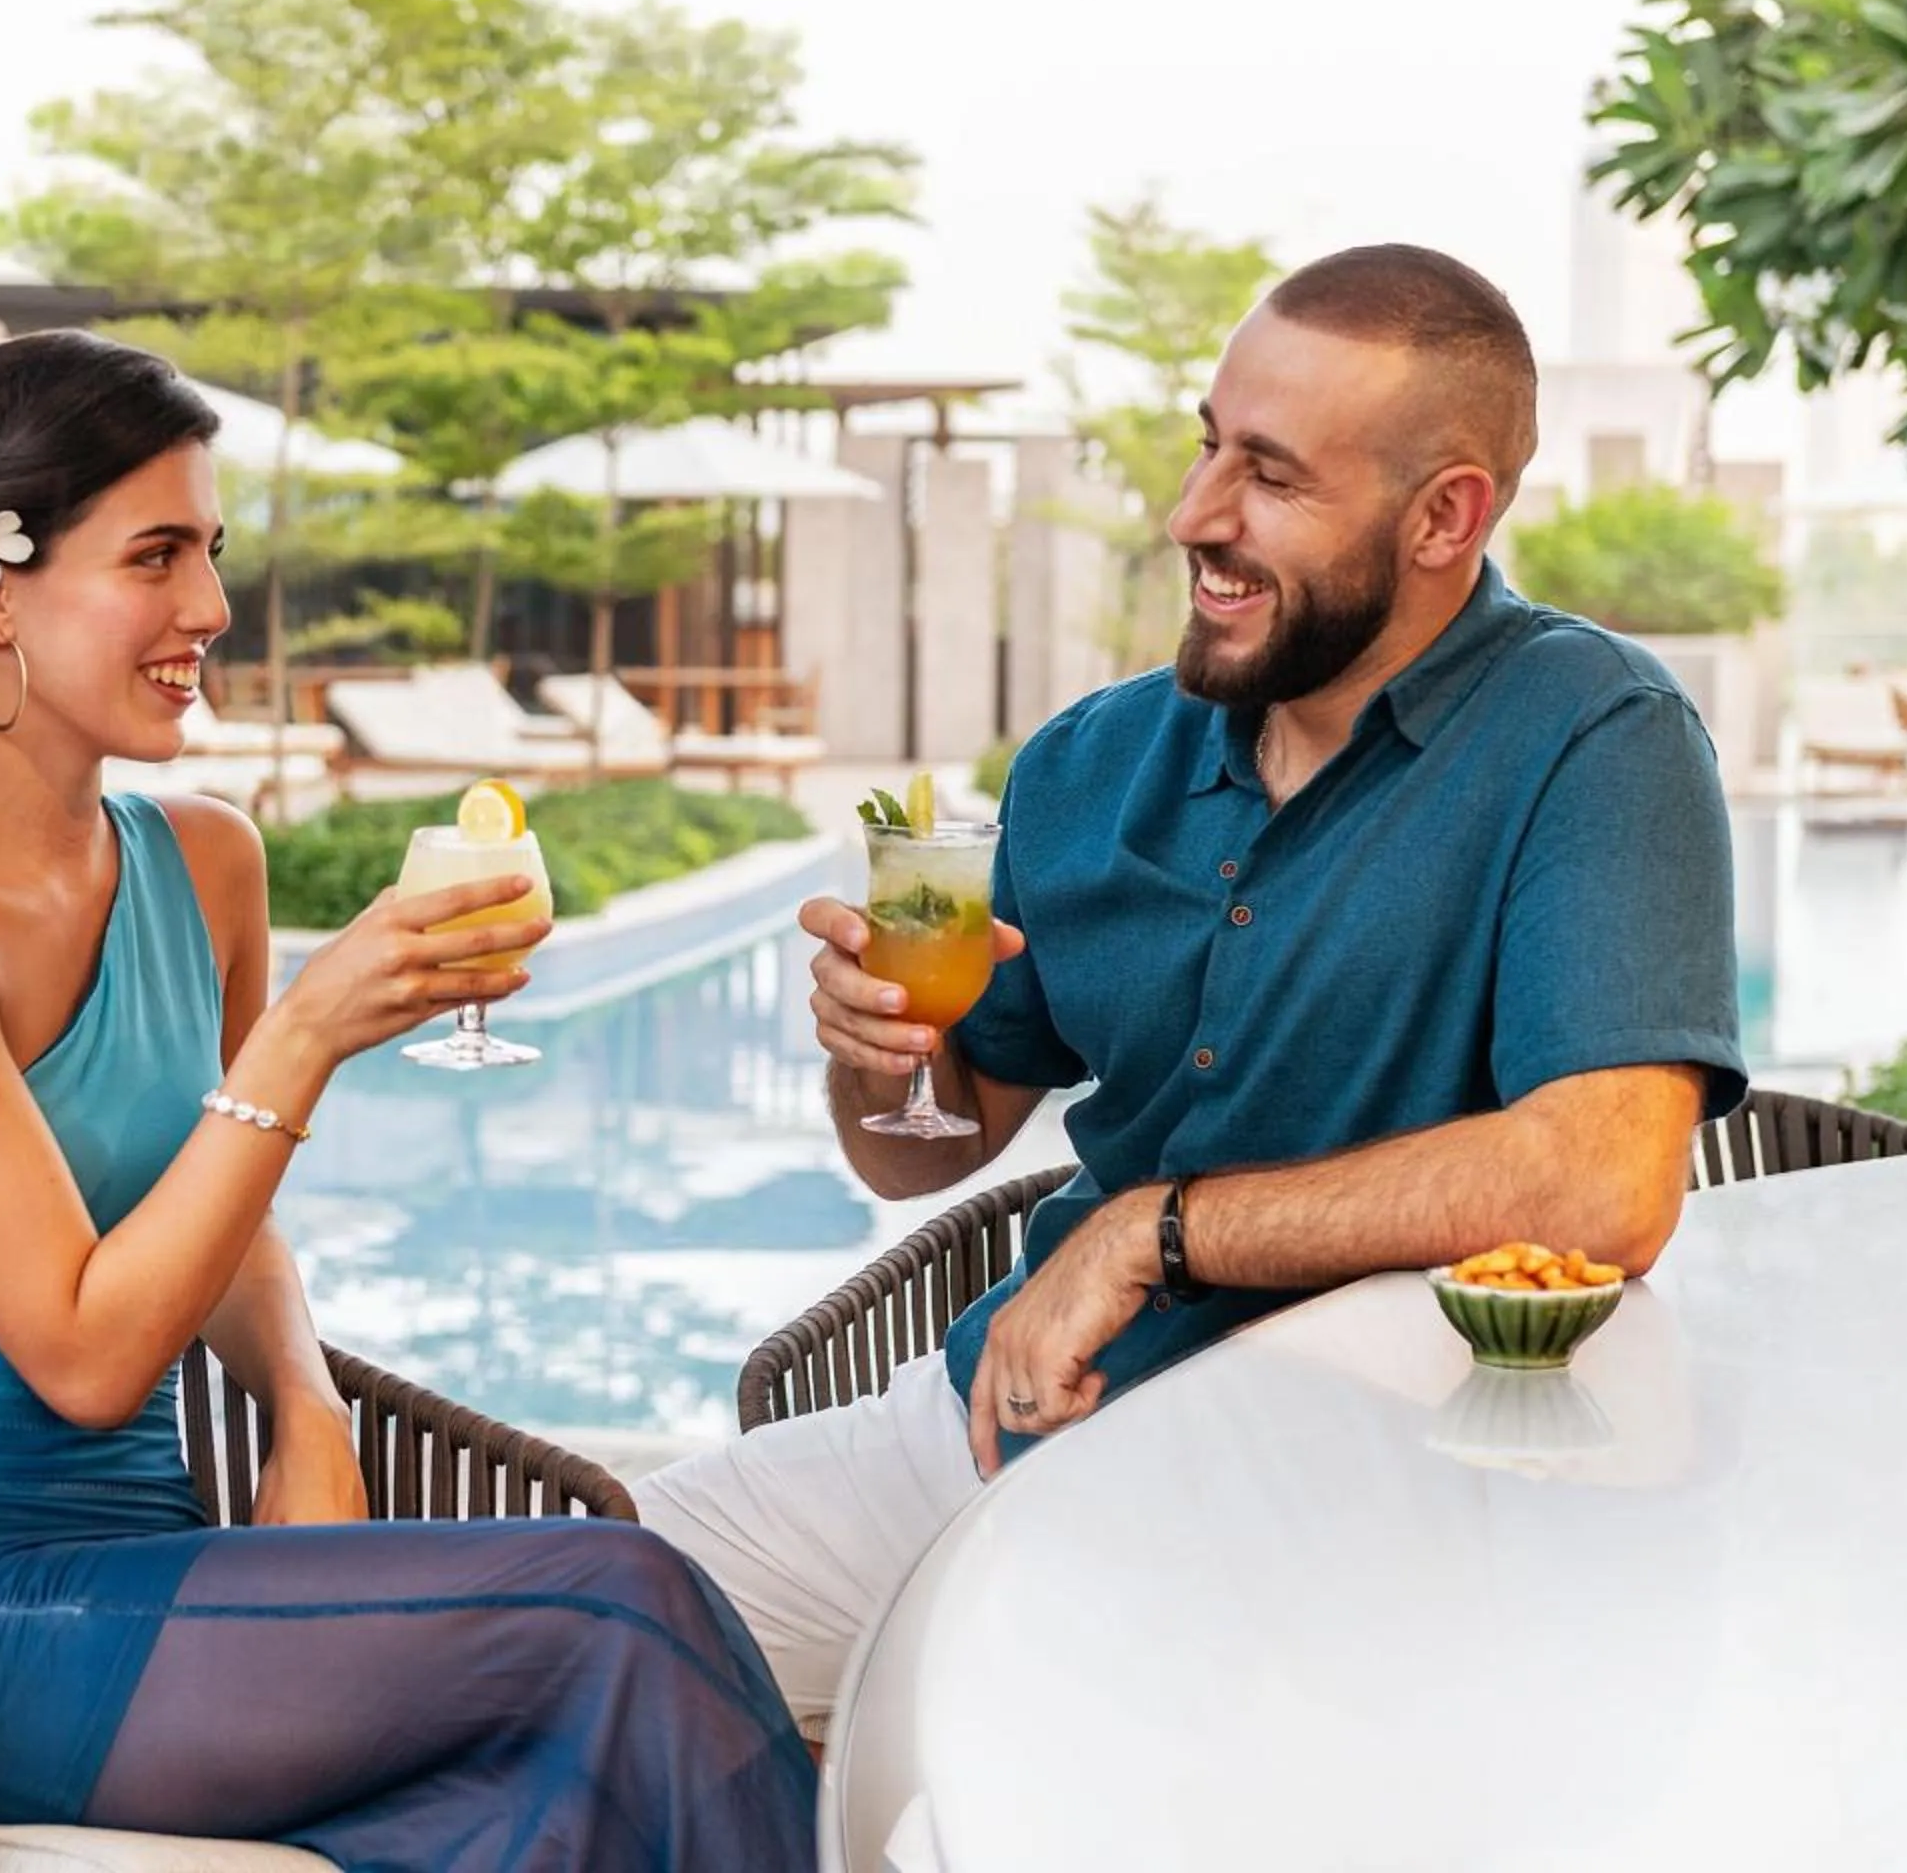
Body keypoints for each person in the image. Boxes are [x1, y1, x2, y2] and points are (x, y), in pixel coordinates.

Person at [634, 244, 1747, 1736]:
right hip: (996, 1431)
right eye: (1206, 443)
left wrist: (1156, 1235)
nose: (1193, 518)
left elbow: (1603, 1183)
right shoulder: (1087, 765)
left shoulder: (1598, 737)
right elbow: (923, 1155)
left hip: (1369, 1523)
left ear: (1446, 517)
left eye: (1270, 478)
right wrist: (875, 1056)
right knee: (568, 1626)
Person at [0, 330, 814, 1869]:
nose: (212, 609)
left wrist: (304, 1408)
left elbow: (221, 1210)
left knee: (557, 1801)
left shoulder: (204, 860)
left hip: (154, 1575)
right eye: (157, 554)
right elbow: (89, 1359)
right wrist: (303, 1039)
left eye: (214, 550)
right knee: (618, 1599)